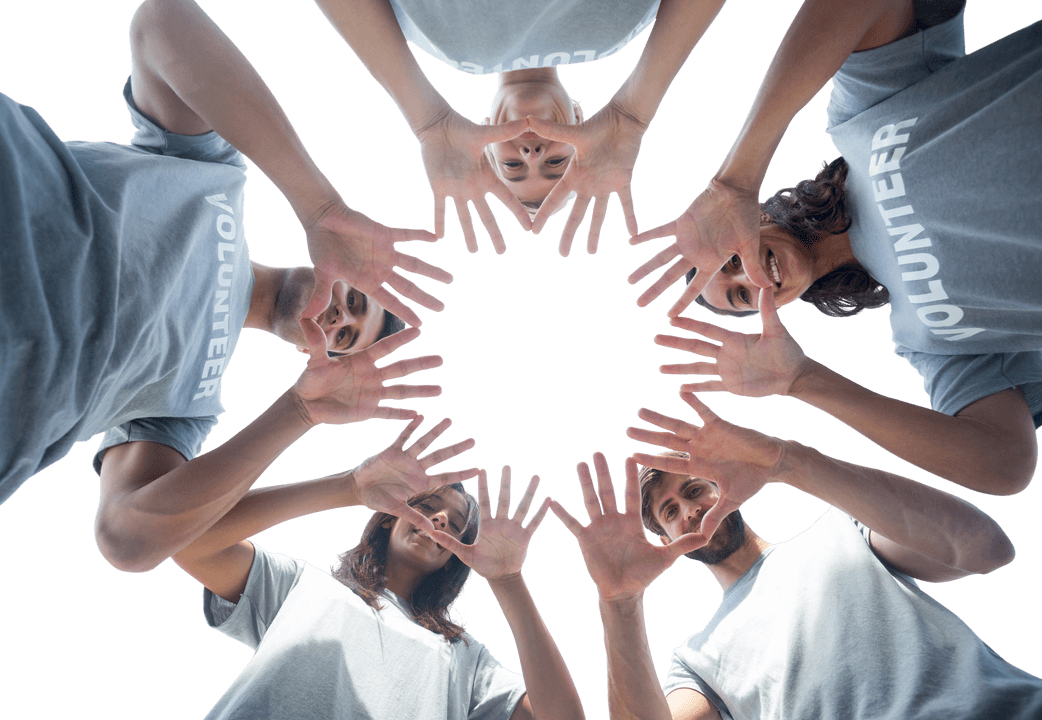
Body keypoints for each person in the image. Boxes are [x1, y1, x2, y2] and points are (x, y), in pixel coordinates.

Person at [0, 0, 453, 571]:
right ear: (335, 267)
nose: (337, 317)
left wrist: (300, 412)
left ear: (312, 354)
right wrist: (320, 207)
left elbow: (126, 539)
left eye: (345, 336)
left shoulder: (189, 407)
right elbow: (161, 22)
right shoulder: (214, 173)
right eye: (355, 299)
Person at [628, 0, 1040, 496]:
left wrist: (734, 181)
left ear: (755, 219)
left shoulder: (860, 116)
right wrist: (802, 379)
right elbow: (1005, 466)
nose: (749, 276)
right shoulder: (924, 338)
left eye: (731, 260)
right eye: (739, 295)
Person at [550, 394, 1042, 720]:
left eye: (695, 490)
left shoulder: (843, 530)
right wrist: (618, 601)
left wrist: (788, 461)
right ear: (663, 537)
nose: (690, 511)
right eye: (670, 511)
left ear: (725, 486)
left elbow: (985, 549)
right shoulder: (697, 660)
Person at [173, 415, 583, 720]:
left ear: (456, 553)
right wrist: (348, 488)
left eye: (455, 526)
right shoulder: (300, 585)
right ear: (389, 516)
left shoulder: (465, 659)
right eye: (426, 507)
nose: (439, 521)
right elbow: (187, 540)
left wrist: (509, 580)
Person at [310, 0, 729, 256]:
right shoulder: (616, 35)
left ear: (486, 132)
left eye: (512, 167)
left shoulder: (435, 44)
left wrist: (428, 121)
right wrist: (633, 114)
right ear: (581, 120)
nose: (533, 155)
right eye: (556, 164)